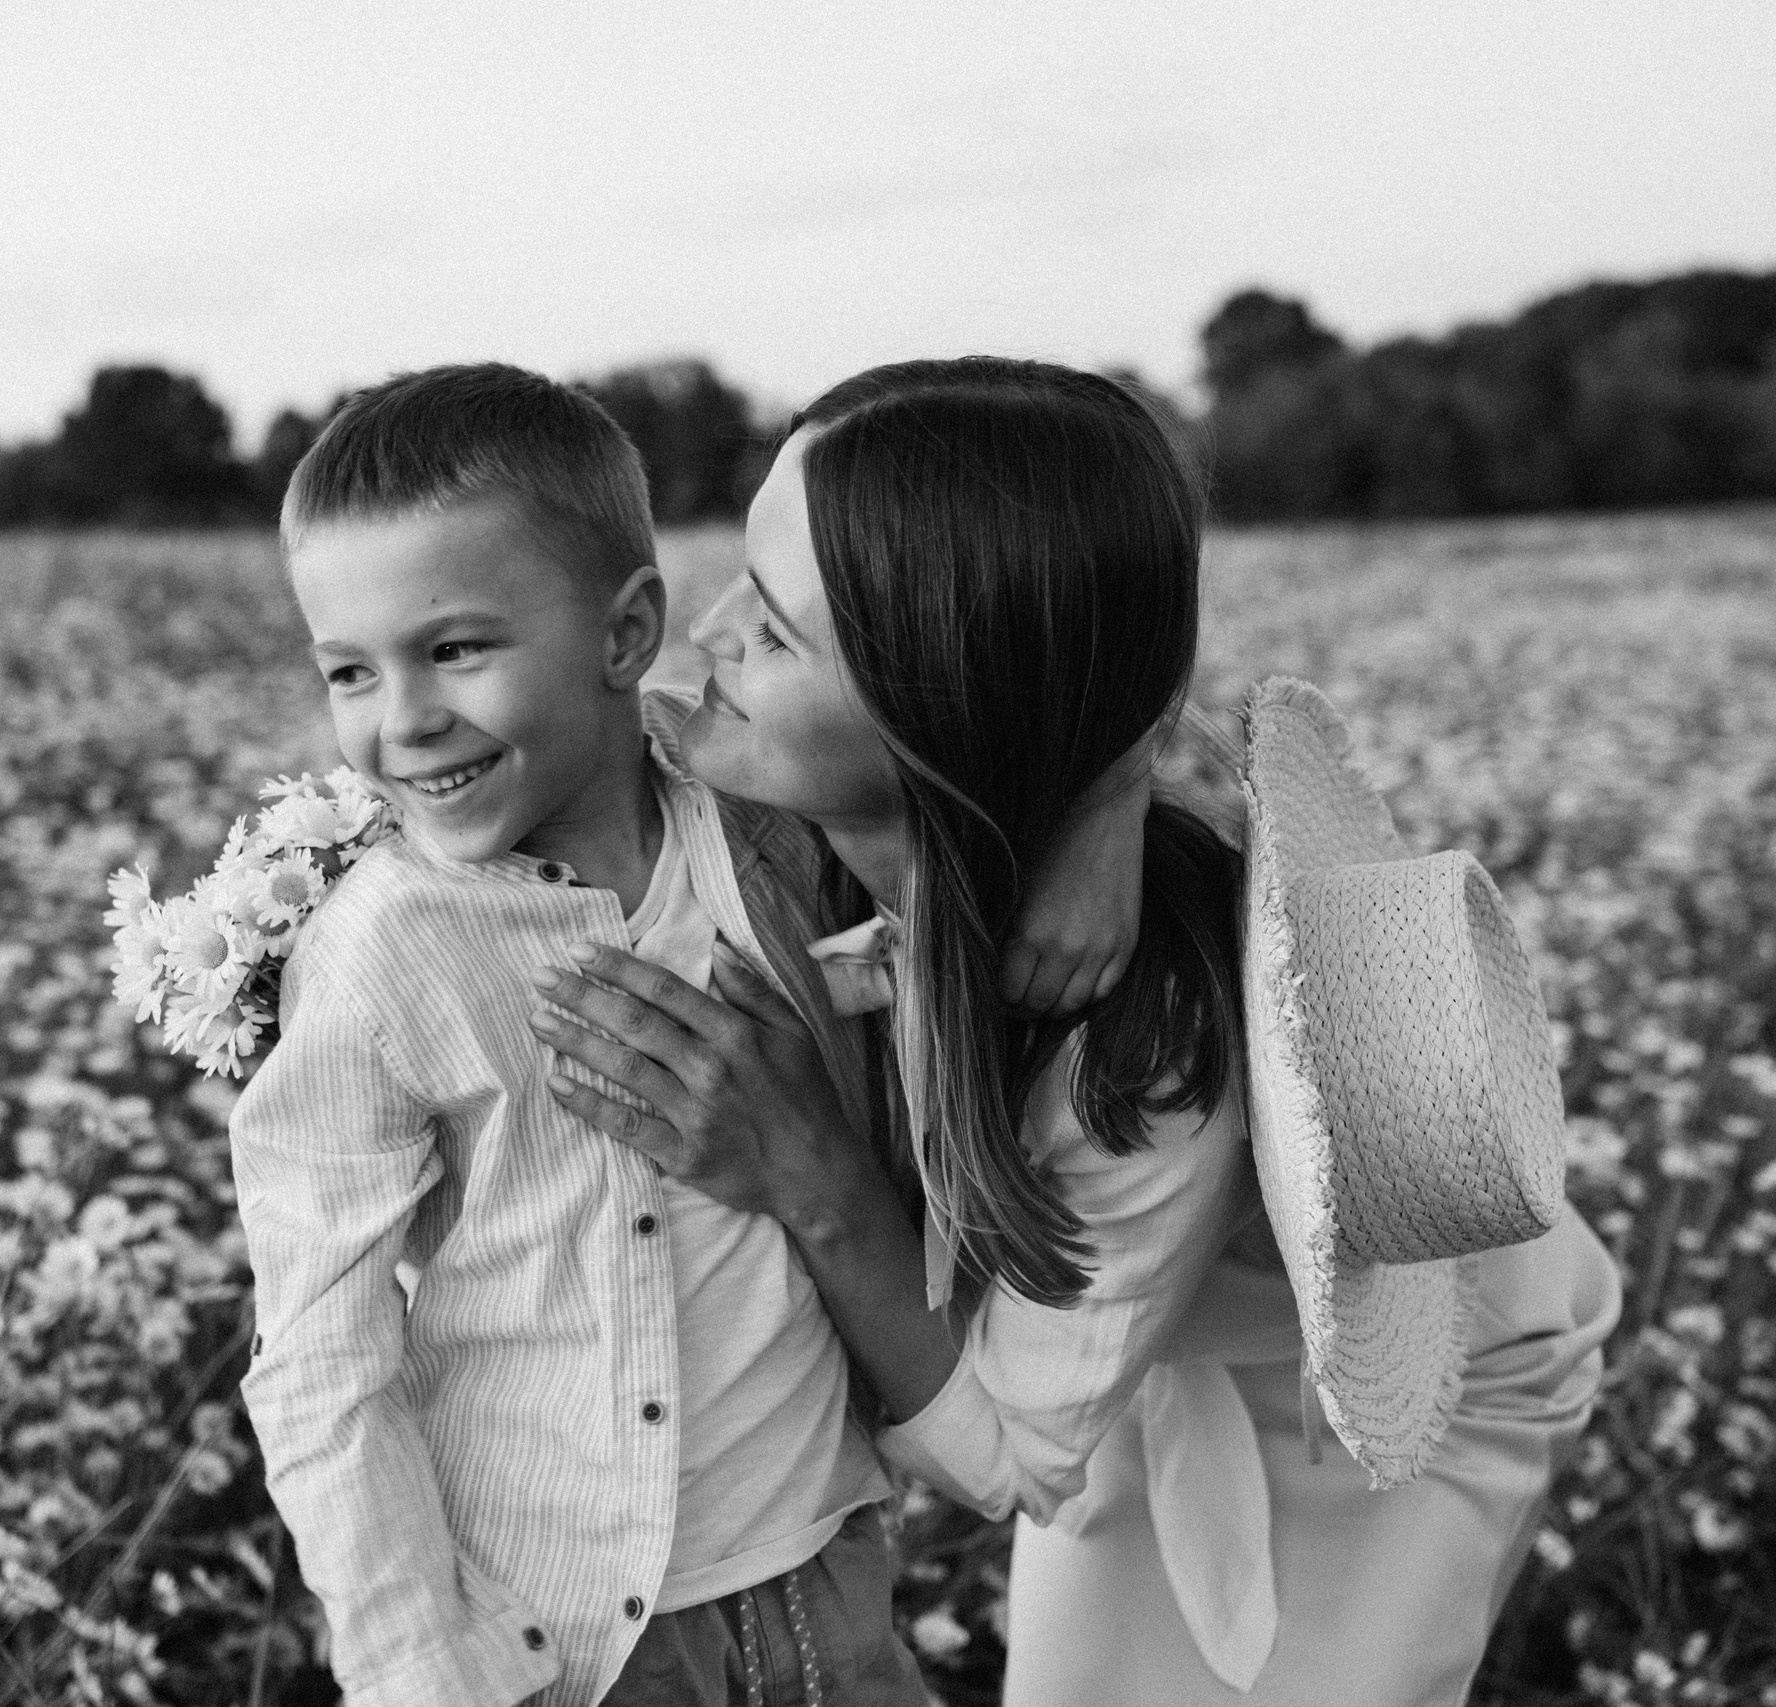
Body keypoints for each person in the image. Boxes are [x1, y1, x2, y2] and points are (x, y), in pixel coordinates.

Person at [530, 357, 1623, 1705]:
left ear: (941, 713)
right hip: (1138, 1329)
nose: (705, 629)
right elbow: (1104, 522)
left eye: (777, 629)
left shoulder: (1148, 1054)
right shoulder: (814, 805)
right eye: (743, 577)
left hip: (1420, 1375)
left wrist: (815, 1183)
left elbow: (1007, 1461)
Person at [229, 363, 1136, 1707]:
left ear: (625, 634)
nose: (403, 720)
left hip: (827, 1570)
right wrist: (419, 1668)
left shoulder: (770, 833)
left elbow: (1023, 688)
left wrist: (1106, 813)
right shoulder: (382, 949)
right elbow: (318, 1352)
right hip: (570, 1635)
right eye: (348, 671)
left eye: (456, 649)